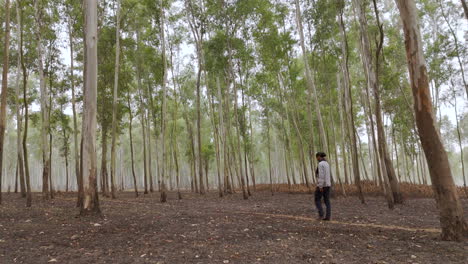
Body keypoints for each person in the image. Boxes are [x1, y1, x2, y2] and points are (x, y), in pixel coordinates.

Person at [315, 152, 331, 221]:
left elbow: (321, 175)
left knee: (317, 199)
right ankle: (328, 216)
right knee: (327, 201)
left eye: (317, 157)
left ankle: (321, 214)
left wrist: (320, 186)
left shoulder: (320, 164)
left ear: (319, 156)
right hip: (328, 184)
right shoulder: (327, 163)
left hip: (323, 185)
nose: (317, 159)